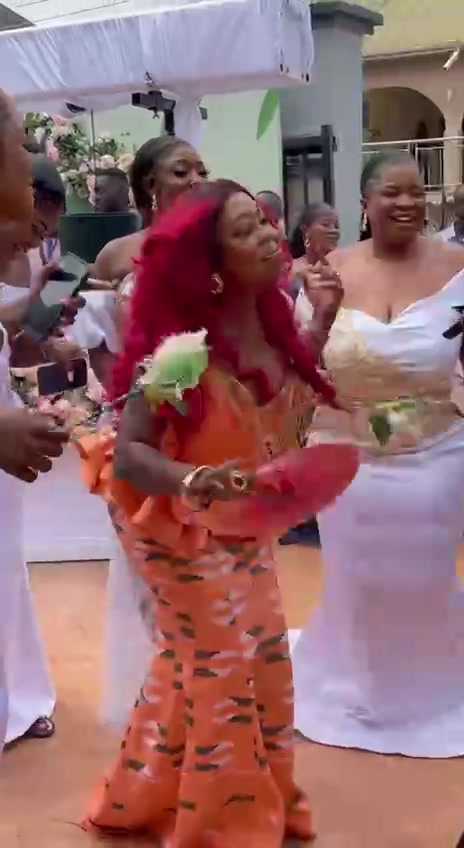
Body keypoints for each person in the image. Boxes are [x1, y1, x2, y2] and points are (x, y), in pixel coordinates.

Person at [76, 179, 342, 844]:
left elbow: (287, 408)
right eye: (245, 231)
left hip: (240, 515)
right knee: (221, 662)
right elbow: (132, 454)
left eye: (265, 222)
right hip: (172, 521)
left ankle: (140, 795)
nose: (269, 236)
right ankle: (226, 826)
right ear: (212, 267)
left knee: (264, 656)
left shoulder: (277, 329)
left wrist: (323, 323)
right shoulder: (183, 354)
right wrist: (194, 478)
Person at [291, 150, 464, 757]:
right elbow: (300, 364)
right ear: (366, 201)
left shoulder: (459, 269)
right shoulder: (327, 273)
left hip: (437, 458)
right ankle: (359, 686)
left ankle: (432, 687)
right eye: (392, 191)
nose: (407, 203)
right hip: (347, 462)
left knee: (427, 577)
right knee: (355, 580)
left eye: (417, 192)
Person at [71, 135, 209, 386]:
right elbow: (94, 334)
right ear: (150, 185)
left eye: (202, 173)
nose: (196, 181)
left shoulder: (221, 245)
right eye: (181, 172)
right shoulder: (116, 253)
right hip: (143, 390)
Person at [279, 201, 340, 548]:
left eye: (336, 224)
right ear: (305, 232)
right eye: (326, 224)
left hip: (333, 371)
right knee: (296, 442)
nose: (334, 230)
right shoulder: (291, 276)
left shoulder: (345, 268)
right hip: (297, 371)